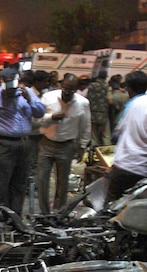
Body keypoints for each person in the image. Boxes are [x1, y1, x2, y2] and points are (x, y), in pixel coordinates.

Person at [0, 67, 45, 218]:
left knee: (20, 184)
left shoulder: (27, 94)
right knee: (1, 184)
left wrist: (30, 99)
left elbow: (40, 112)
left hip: (23, 144)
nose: (9, 90)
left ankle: (16, 218)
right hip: (3, 144)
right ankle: (0, 219)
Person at [37, 73, 91, 213]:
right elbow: (36, 119)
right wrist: (51, 117)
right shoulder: (48, 98)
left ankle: (59, 211)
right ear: (61, 85)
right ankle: (44, 212)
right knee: (42, 180)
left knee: (63, 182)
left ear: (76, 89)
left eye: (71, 90)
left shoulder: (82, 103)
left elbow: (85, 126)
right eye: (65, 89)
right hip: (46, 143)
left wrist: (82, 146)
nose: (67, 93)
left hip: (67, 145)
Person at [87, 70, 112, 146]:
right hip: (103, 114)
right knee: (105, 135)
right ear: (105, 77)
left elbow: (88, 97)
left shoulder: (91, 86)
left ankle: (94, 151)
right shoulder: (107, 87)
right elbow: (110, 101)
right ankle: (106, 152)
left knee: (94, 135)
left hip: (92, 113)